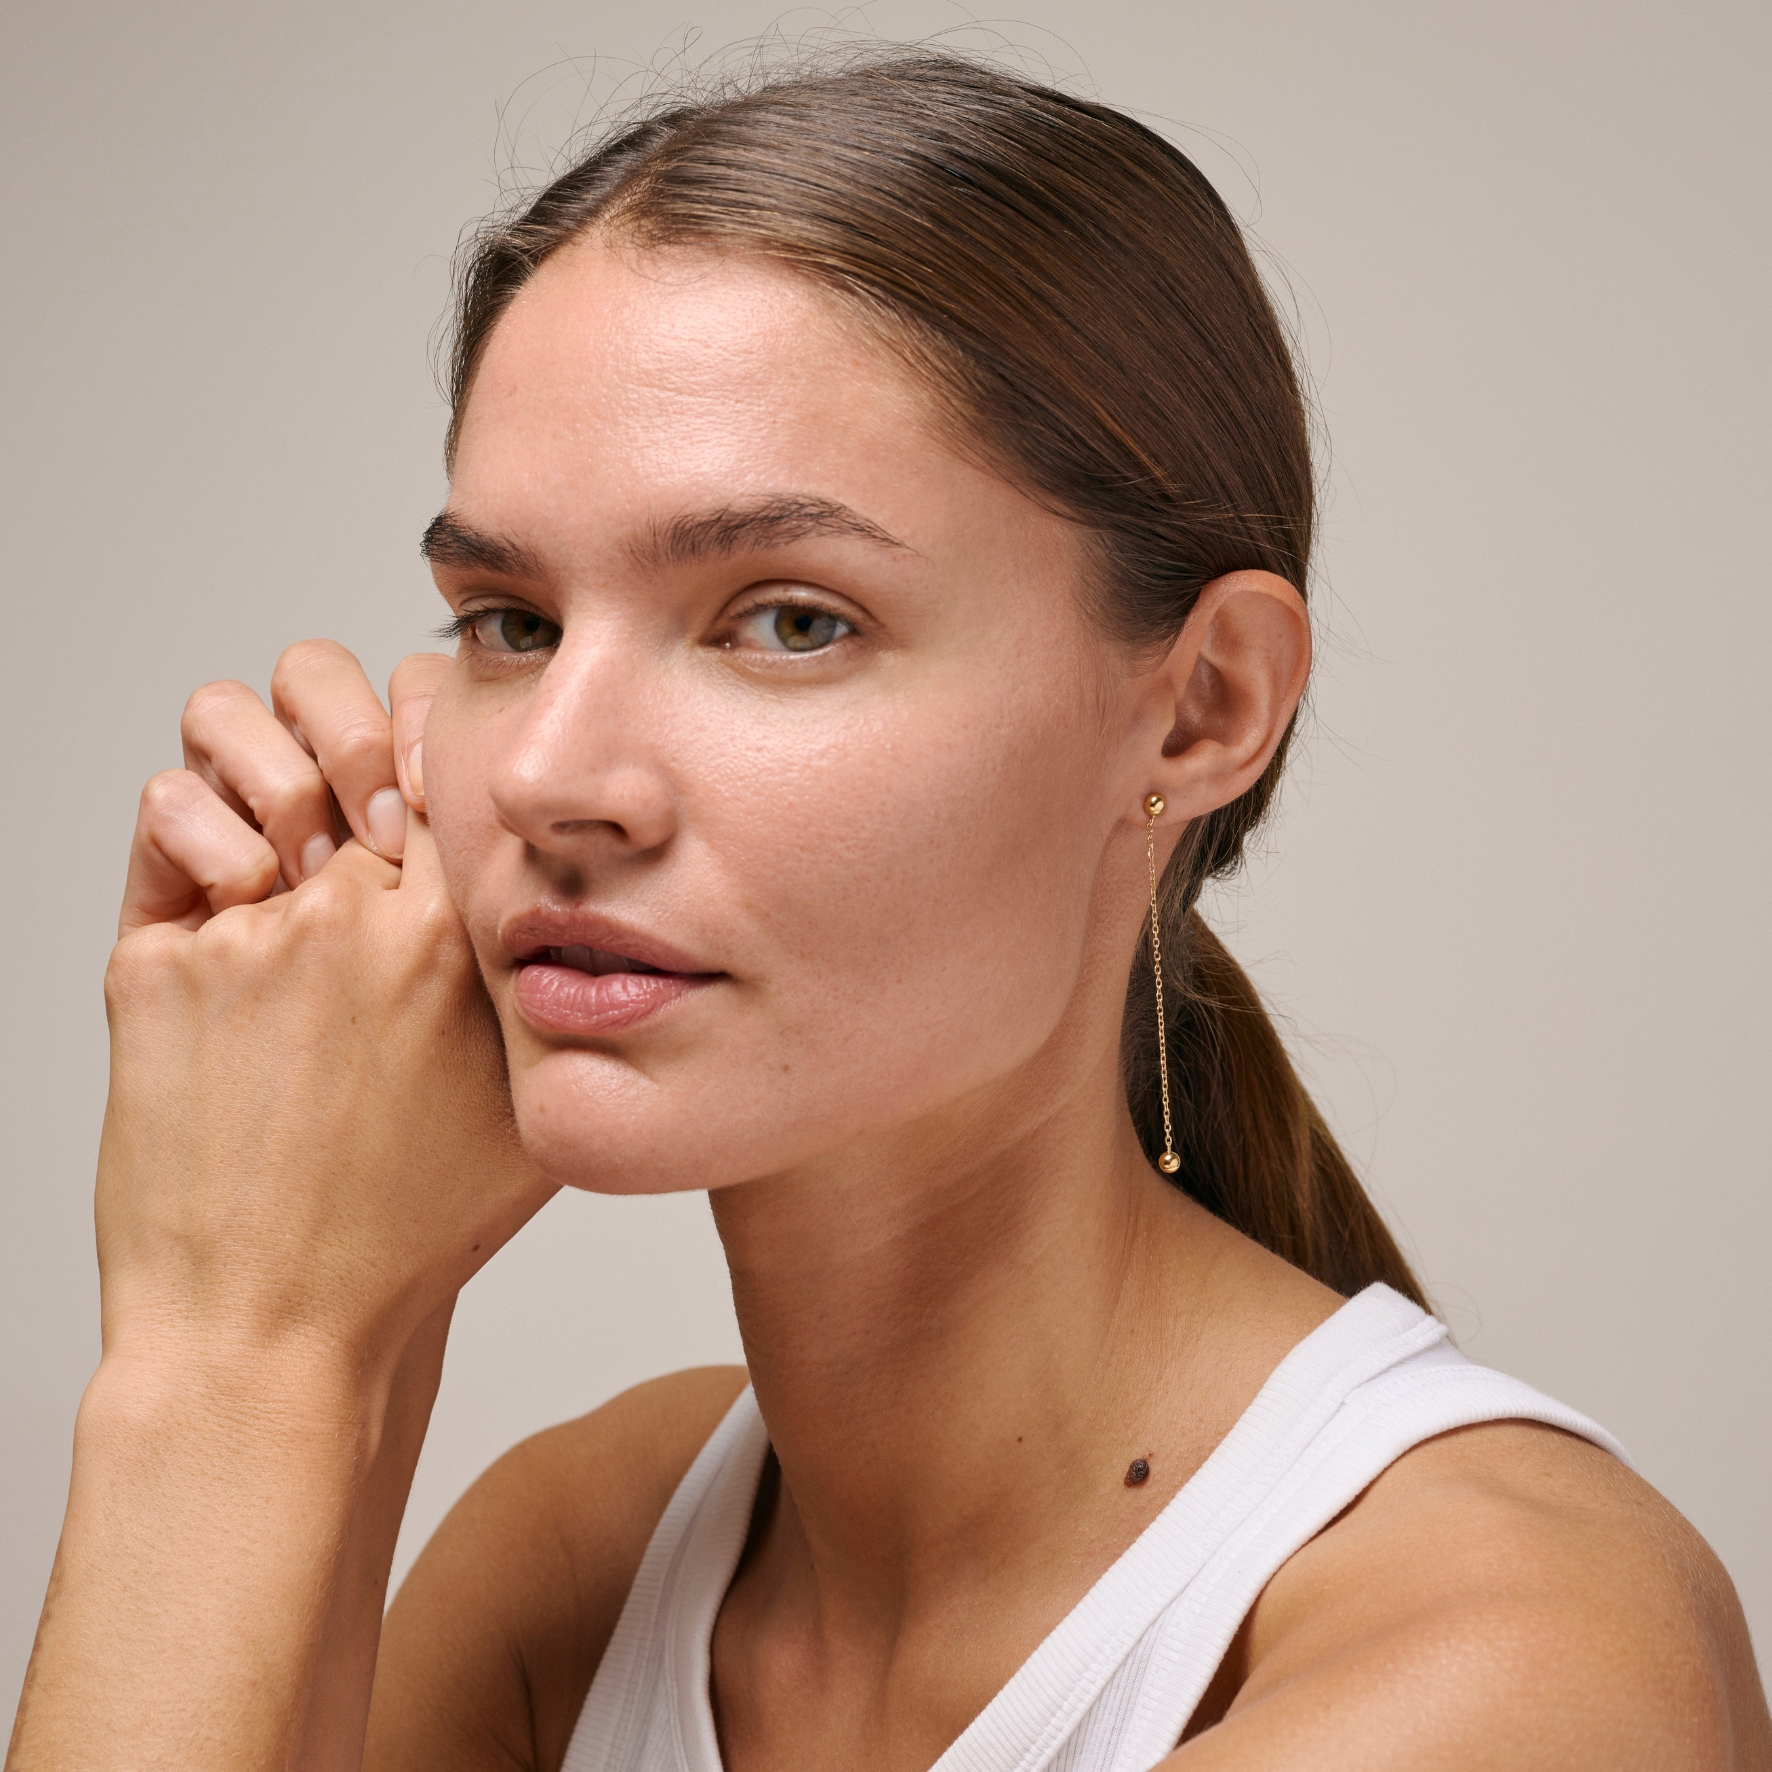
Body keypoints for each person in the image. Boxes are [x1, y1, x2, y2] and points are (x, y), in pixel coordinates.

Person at [9, 51, 1768, 1772]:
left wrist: (235, 1353)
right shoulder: (576, 1558)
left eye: (789, 618)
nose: (550, 774)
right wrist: (326, 1342)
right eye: (512, 622)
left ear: (1204, 705)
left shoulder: (1514, 1654)